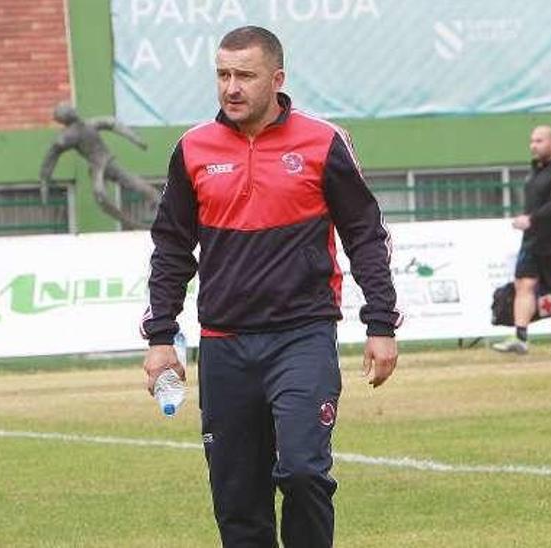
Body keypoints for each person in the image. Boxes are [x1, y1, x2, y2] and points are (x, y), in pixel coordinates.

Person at [140, 26, 401, 547]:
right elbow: (171, 247)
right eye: (223, 75)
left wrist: (381, 322)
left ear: (277, 79)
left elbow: (366, 236)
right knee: (237, 499)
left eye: (245, 76)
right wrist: (161, 337)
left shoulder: (323, 142)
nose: (231, 87)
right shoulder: (192, 149)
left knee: (303, 471)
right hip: (223, 344)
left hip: (301, 337)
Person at [491, 125, 551, 355]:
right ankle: (520, 337)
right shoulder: (534, 172)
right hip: (533, 242)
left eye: (540, 140)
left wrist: (531, 219)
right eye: (532, 141)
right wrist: (527, 223)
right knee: (524, 284)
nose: (534, 145)